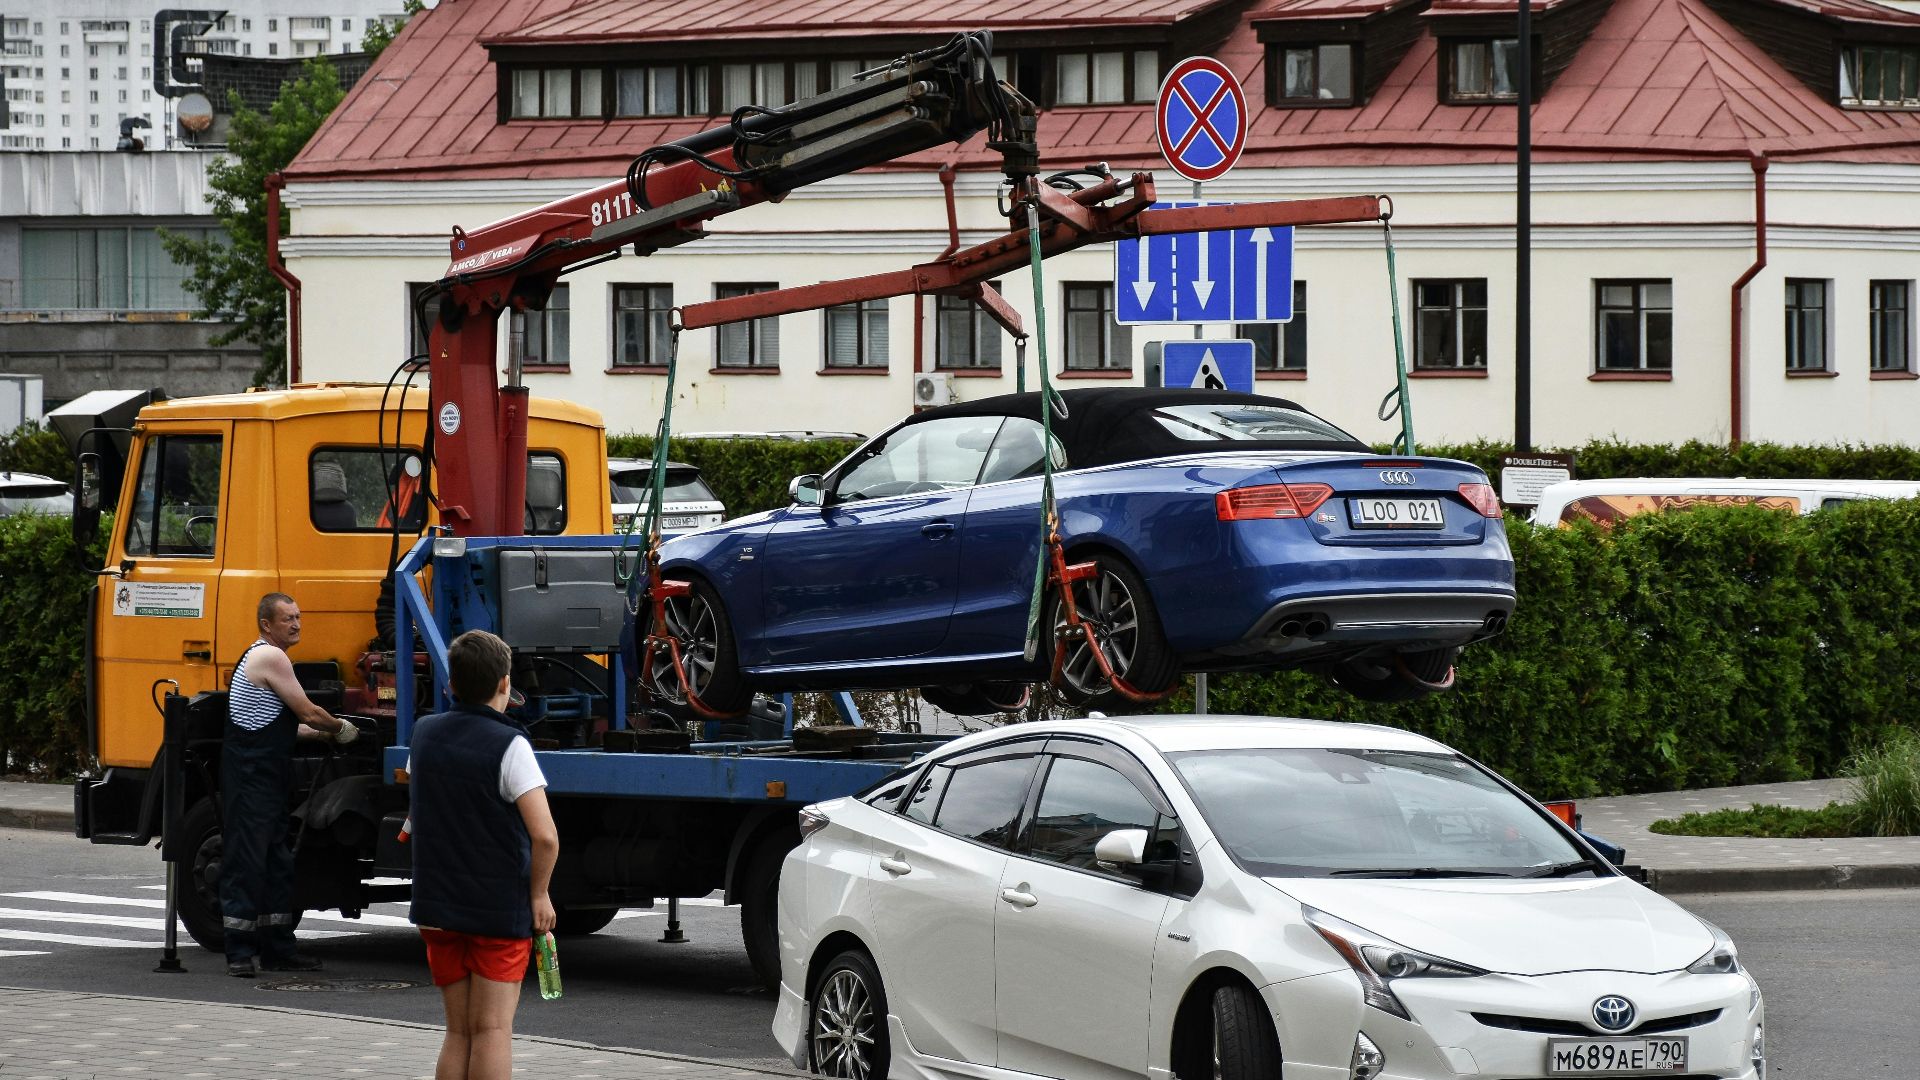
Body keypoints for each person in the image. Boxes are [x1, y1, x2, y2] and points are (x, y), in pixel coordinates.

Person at [407, 629, 558, 1080]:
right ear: (505, 684)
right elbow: (545, 837)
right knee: (491, 1030)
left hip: (437, 906)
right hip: (495, 910)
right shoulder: (510, 745)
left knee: (458, 1032)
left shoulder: (424, 733)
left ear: (451, 684)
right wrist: (539, 895)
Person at [221, 592, 360, 978]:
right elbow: (308, 712)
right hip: (250, 778)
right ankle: (239, 951)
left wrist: (321, 735)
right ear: (267, 625)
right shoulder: (270, 656)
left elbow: (282, 726)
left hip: (265, 777)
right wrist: (341, 729)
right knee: (248, 862)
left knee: (276, 862)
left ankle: (277, 948)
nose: (296, 624)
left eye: (298, 617)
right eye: (288, 619)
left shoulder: (265, 657)